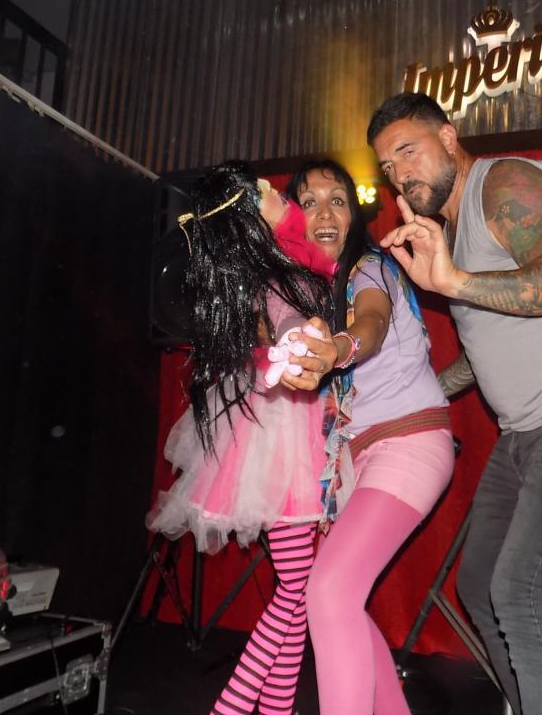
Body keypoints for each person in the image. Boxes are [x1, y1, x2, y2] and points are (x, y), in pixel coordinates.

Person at [371, 93, 542, 715]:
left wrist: (453, 282)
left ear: (449, 137)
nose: (399, 175)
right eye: (388, 167)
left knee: (526, 589)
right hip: (525, 429)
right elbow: (488, 349)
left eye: (408, 152)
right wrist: (415, 397)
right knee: (480, 584)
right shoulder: (451, 237)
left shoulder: (504, 182)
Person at [145, 161, 335, 715]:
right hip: (284, 430)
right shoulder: (285, 272)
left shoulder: (279, 266)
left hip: (276, 423)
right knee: (295, 589)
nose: (279, 191)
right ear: (253, 217)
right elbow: (286, 317)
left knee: (294, 589)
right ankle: (228, 709)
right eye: (266, 192)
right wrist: (296, 338)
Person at [283, 159, 455, 715]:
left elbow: (372, 324)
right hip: (364, 456)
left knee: (329, 592)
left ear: (354, 214)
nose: (324, 213)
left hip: (408, 442)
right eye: (309, 202)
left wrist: (339, 348)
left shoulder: (370, 267)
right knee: (340, 604)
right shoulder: (313, 293)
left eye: (337, 199)